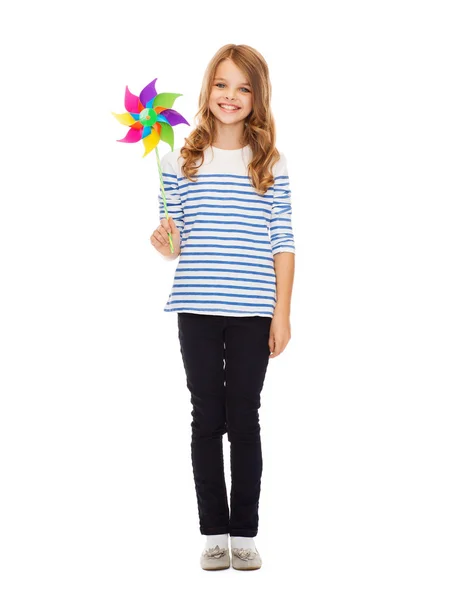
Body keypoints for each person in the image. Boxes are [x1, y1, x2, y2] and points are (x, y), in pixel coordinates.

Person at [150, 44, 295, 571]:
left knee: (244, 416)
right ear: (207, 89)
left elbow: (283, 240)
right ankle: (214, 531)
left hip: (255, 311)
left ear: (257, 98)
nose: (230, 96)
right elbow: (178, 239)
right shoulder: (177, 161)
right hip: (198, 308)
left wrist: (282, 313)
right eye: (221, 84)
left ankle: (245, 532)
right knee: (206, 416)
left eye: (243, 87)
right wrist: (165, 240)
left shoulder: (268, 163)